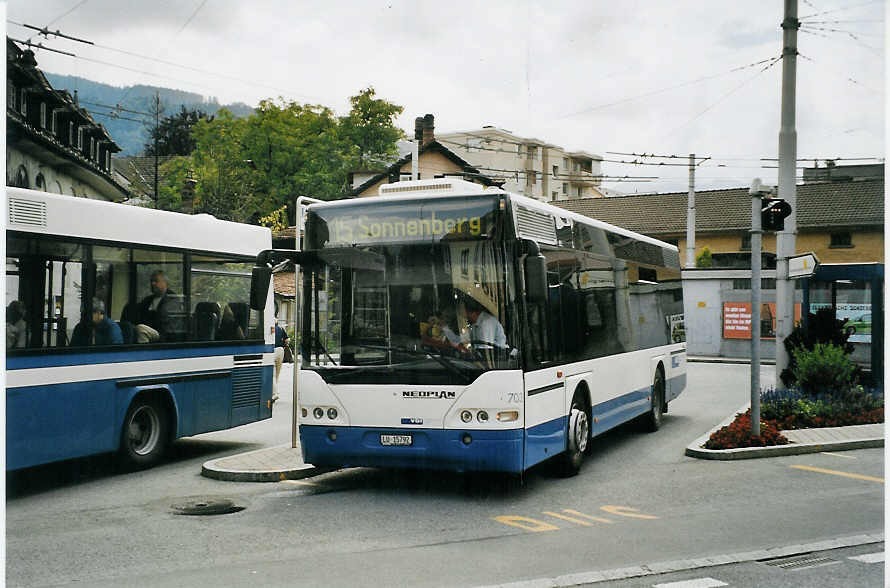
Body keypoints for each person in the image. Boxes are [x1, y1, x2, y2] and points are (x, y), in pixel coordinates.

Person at [136, 270, 175, 340]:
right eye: (151, 281)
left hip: (164, 333)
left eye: (156, 281)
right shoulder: (147, 300)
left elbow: (164, 320)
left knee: (141, 329)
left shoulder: (172, 298)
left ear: (165, 283)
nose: (153, 283)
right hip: (149, 329)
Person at [273, 322, 289, 403]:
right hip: (281, 350)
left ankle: (275, 393)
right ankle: (275, 390)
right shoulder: (280, 328)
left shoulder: (268, 327)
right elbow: (287, 340)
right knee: (277, 374)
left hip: (272, 351)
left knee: (272, 374)